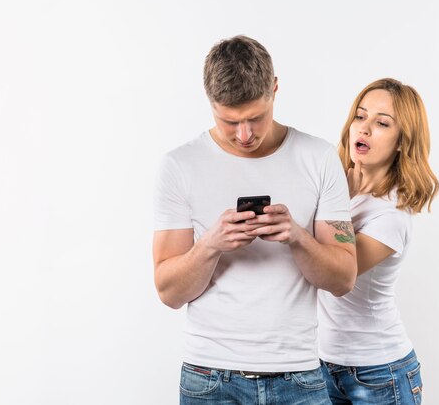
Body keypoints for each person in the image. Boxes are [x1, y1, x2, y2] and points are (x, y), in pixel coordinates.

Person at [152, 35, 357, 405]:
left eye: (255, 118)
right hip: (209, 378)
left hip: (299, 377)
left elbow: (344, 278)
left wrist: (297, 237)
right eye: (229, 122)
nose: (244, 135)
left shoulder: (320, 158)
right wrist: (211, 245)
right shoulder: (179, 166)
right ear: (209, 101)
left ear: (275, 89)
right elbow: (168, 292)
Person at [317, 78, 439, 405]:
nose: (365, 128)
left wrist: (338, 200)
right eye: (360, 116)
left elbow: (333, 273)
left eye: (382, 123)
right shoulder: (339, 190)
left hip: (379, 374)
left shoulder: (392, 214)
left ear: (402, 141)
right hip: (321, 366)